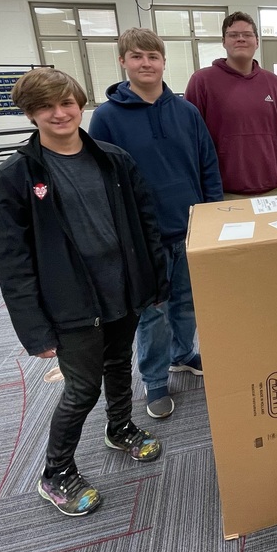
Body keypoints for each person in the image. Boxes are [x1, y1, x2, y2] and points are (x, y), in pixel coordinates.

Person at [0, 67, 168, 517]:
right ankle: (57, 473)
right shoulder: (16, 177)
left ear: (80, 103)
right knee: (83, 387)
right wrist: (35, 330)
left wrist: (154, 281)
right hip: (69, 303)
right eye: (46, 106)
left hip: (121, 289)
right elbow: (13, 262)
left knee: (117, 365)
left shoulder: (112, 159)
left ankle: (121, 427)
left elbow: (145, 223)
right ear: (31, 114)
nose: (60, 113)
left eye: (67, 102)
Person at [89, 28, 223, 418]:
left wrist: (211, 215)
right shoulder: (107, 118)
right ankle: (155, 381)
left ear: (164, 62)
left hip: (190, 227)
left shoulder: (186, 112)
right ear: (123, 62)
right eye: (136, 56)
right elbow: (101, 181)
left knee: (187, 302)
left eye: (152, 56)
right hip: (142, 237)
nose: (145, 63)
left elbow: (207, 165)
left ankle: (184, 354)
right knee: (153, 313)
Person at [184, 11, 277, 199]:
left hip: (274, 189)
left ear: (257, 42)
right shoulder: (202, 81)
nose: (240, 39)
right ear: (224, 41)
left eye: (247, 35)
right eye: (233, 35)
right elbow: (190, 139)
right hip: (224, 192)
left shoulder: (274, 84)